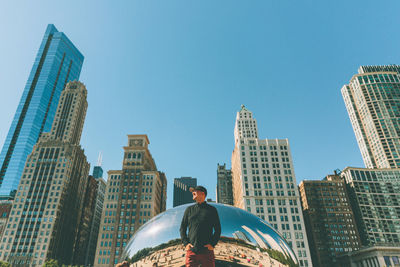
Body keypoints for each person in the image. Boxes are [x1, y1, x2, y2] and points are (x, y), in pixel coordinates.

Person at [180, 185, 221, 267]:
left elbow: (218, 229)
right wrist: (186, 243)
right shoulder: (189, 209)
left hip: (207, 251)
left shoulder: (212, 209)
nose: (192, 193)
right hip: (192, 250)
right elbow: (182, 228)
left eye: (195, 191)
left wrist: (212, 244)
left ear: (202, 194)